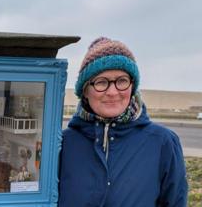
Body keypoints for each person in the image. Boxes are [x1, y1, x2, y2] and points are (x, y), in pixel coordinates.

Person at [59, 37, 187, 207]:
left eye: (121, 81)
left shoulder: (163, 142)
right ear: (85, 91)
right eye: (101, 82)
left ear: (132, 87)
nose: (112, 92)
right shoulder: (63, 144)